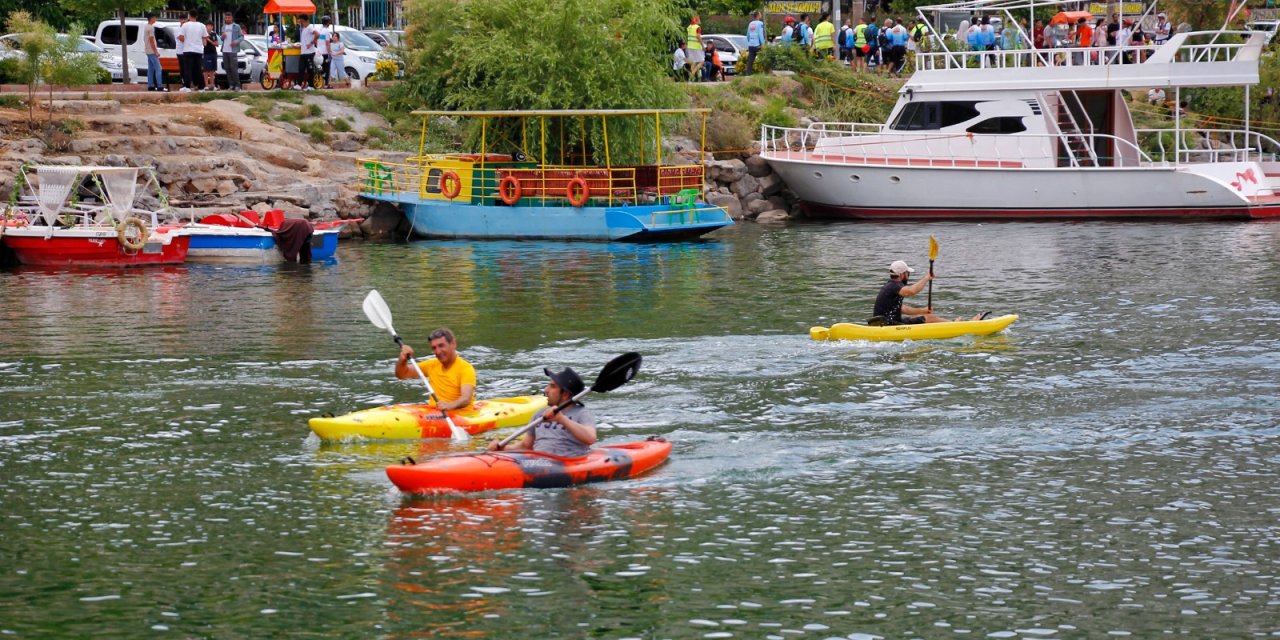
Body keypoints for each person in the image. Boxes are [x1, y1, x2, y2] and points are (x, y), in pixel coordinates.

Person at [488, 367, 596, 457]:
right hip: (540, 462)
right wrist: (504, 448)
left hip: (567, 463)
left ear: (565, 394)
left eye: (552, 386)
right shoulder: (540, 414)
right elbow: (526, 446)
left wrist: (562, 419)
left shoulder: (582, 413)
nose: (546, 390)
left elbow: (590, 438)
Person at [873, 260, 984, 324]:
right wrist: (926, 278)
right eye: (908, 273)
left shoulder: (889, 286)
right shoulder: (894, 286)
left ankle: (954, 324)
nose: (908, 276)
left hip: (886, 323)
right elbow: (911, 291)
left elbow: (902, 308)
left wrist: (923, 311)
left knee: (927, 316)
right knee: (930, 318)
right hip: (889, 326)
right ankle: (957, 326)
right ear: (902, 274)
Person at [394, 328, 476, 412]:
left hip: (461, 416)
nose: (438, 351)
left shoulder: (466, 369)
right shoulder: (431, 365)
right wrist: (403, 359)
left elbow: (466, 398)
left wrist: (449, 406)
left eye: (441, 346)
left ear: (453, 344)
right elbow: (401, 374)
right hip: (435, 414)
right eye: (434, 348)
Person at [177, 11, 208, 92]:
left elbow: (180, 37)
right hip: (198, 50)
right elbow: (205, 37)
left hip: (188, 49)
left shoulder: (185, 25)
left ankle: (187, 87)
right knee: (198, 69)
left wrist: (186, 41)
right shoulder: (202, 25)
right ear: (196, 16)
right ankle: (201, 87)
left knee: (187, 69)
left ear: (189, 16)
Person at [221, 13, 242, 91]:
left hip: (233, 50)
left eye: (229, 18)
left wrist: (236, 42)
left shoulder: (236, 26)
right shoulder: (223, 26)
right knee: (227, 68)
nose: (227, 19)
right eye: (226, 18)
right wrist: (222, 37)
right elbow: (222, 38)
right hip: (224, 50)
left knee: (234, 68)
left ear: (232, 18)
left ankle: (237, 85)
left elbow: (242, 36)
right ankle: (231, 85)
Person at [143, 13, 163, 92]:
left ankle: (150, 85)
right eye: (154, 17)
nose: (155, 19)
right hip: (152, 50)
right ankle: (159, 85)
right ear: (151, 18)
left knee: (151, 68)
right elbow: (151, 40)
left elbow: (145, 39)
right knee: (158, 68)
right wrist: (156, 51)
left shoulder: (146, 26)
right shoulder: (151, 28)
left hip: (147, 50)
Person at [298, 14, 318, 90]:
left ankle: (311, 86)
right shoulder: (303, 28)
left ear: (302, 20)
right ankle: (299, 85)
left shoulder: (310, 27)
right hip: (303, 52)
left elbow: (317, 34)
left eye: (299, 19)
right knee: (301, 68)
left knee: (310, 69)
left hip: (309, 53)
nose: (299, 21)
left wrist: (312, 43)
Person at [745, 11, 764, 75]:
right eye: (760, 14)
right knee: (763, 58)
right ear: (758, 16)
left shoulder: (750, 24)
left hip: (751, 45)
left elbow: (747, 35)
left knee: (750, 60)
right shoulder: (760, 23)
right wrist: (762, 43)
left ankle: (748, 74)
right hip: (757, 45)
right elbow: (760, 34)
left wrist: (749, 41)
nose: (761, 15)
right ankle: (764, 72)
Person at [686, 15, 705, 82]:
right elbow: (698, 37)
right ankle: (692, 74)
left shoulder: (689, 27)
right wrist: (703, 46)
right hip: (696, 46)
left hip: (690, 46)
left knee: (693, 62)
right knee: (702, 61)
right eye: (699, 19)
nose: (700, 20)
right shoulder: (698, 27)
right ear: (697, 20)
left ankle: (691, 79)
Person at [202, 22, 219, 91]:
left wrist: (209, 39)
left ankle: (212, 85)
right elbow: (205, 44)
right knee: (206, 70)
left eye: (210, 26)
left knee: (212, 70)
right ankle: (206, 85)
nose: (209, 27)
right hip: (206, 53)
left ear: (212, 27)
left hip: (213, 53)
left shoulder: (214, 34)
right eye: (207, 26)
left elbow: (216, 44)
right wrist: (205, 38)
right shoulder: (204, 34)